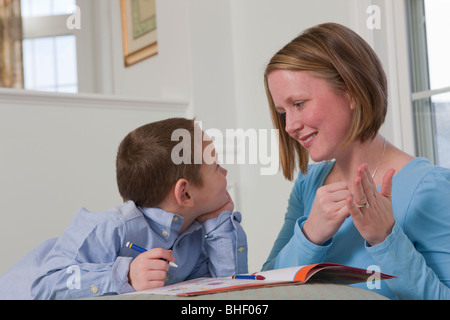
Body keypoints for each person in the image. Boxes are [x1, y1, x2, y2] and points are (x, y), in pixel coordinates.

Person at [262, 23, 450, 300]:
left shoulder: (428, 188)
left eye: (299, 104)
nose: (289, 126)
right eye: (282, 113)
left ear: (351, 92)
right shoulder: (308, 185)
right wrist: (310, 234)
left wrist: (385, 239)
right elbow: (263, 288)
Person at [0, 118, 248, 299]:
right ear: (184, 193)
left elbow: (228, 296)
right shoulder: (109, 227)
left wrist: (219, 225)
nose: (224, 172)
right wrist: (126, 276)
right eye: (216, 165)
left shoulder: (195, 234)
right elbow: (45, 285)